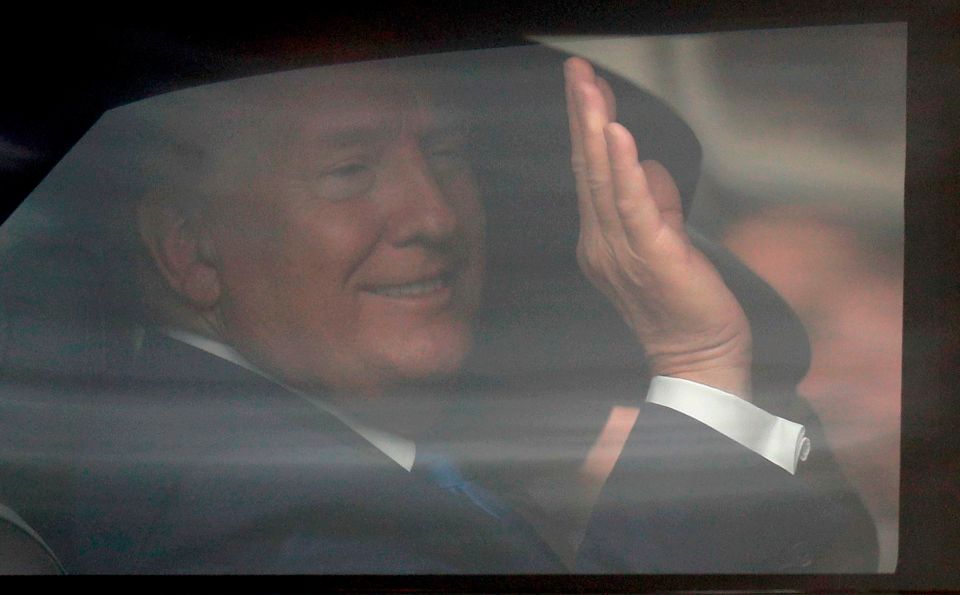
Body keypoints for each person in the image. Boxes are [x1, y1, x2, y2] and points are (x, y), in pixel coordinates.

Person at [0, 44, 876, 573]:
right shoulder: (266, 521)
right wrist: (695, 359)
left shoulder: (251, 456)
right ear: (190, 250)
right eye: (350, 173)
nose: (436, 216)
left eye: (448, 155)